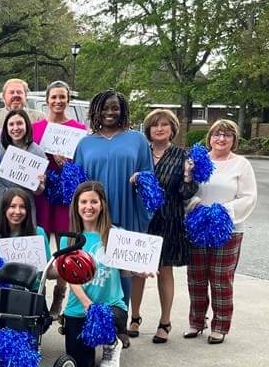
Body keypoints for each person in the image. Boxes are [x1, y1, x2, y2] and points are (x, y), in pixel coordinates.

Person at [74, 90, 154, 308]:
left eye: (115, 108)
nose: (110, 112)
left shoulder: (137, 140)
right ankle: (94, 315)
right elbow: (77, 185)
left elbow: (150, 178)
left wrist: (142, 178)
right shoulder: (85, 144)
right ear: (95, 111)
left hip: (126, 208)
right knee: (97, 266)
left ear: (123, 111)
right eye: (105, 107)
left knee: (123, 267)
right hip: (95, 213)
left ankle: (121, 322)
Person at [185, 120, 257, 344]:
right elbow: (186, 187)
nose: (221, 139)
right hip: (198, 225)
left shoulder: (241, 164)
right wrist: (194, 204)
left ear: (234, 139)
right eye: (217, 134)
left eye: (227, 135)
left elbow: (249, 196)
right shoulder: (198, 161)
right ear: (210, 138)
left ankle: (221, 325)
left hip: (227, 228)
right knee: (196, 277)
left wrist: (222, 211)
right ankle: (196, 322)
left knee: (220, 279)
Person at [129, 109, 197, 343]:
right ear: (147, 130)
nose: (159, 129)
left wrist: (188, 176)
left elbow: (187, 193)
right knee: (136, 271)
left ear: (172, 129)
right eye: (155, 125)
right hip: (142, 219)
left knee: (164, 270)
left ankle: (165, 322)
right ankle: (134, 317)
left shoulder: (182, 156)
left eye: (164, 125)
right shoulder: (140, 153)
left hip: (169, 219)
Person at [60, 182, 129, 367]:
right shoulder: (69, 239)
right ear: (76, 205)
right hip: (79, 308)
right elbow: (70, 278)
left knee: (104, 315)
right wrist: (87, 304)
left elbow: (128, 268)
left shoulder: (115, 235)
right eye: (83, 201)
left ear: (102, 205)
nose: (88, 206)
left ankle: (112, 343)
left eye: (94, 201)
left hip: (111, 308)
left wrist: (142, 270)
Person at [32, 81, 88, 316]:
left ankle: (60, 294)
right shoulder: (36, 128)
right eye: (54, 97)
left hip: (66, 195)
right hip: (42, 193)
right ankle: (39, 294)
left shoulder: (79, 129)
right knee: (42, 244)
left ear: (68, 99)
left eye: (62, 97)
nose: (58, 101)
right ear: (47, 100)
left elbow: (84, 161)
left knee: (66, 246)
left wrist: (67, 163)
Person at [0, 109, 46, 227]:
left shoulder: (38, 152)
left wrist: (38, 185)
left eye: (19, 123)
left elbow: (39, 191)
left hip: (22, 207)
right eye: (11, 124)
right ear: (6, 128)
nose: (15, 128)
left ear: (27, 125)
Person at [0, 189, 52, 292]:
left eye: (22, 207)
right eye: (12, 206)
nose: (17, 211)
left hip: (33, 293)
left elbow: (49, 271)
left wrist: (62, 266)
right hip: (3, 293)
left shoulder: (38, 232)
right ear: (4, 209)